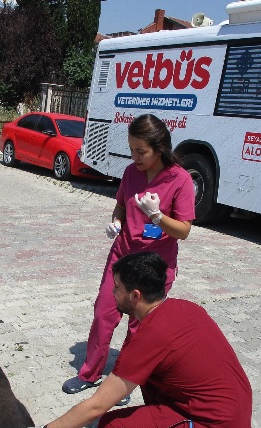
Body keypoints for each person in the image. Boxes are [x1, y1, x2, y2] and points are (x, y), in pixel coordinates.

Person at [2, 252, 252, 428]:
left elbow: (96, 407)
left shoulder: (149, 338)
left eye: (117, 288)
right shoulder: (187, 308)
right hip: (235, 415)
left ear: (135, 296)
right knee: (152, 381)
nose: (112, 293)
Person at [62, 114, 195, 405]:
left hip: (153, 267)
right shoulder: (130, 172)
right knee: (103, 314)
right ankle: (89, 373)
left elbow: (183, 230)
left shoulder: (180, 180)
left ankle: (124, 382)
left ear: (158, 149)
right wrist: (117, 223)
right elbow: (120, 206)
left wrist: (157, 217)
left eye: (141, 151)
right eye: (131, 149)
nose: (134, 156)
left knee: (139, 327)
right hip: (122, 257)